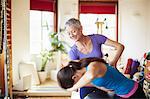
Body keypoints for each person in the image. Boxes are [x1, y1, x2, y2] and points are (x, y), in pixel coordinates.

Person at [64, 18, 124, 99]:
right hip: (87, 84)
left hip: (104, 79)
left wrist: (113, 62)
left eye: (73, 31)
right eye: (69, 33)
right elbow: (78, 73)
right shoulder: (73, 52)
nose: (71, 35)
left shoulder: (96, 38)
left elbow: (120, 46)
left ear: (81, 29)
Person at [57, 57, 146, 99]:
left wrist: (72, 88)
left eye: (76, 83)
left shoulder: (93, 66)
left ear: (74, 77)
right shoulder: (83, 73)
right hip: (122, 95)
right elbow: (97, 84)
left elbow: (91, 76)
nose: (79, 85)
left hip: (133, 92)